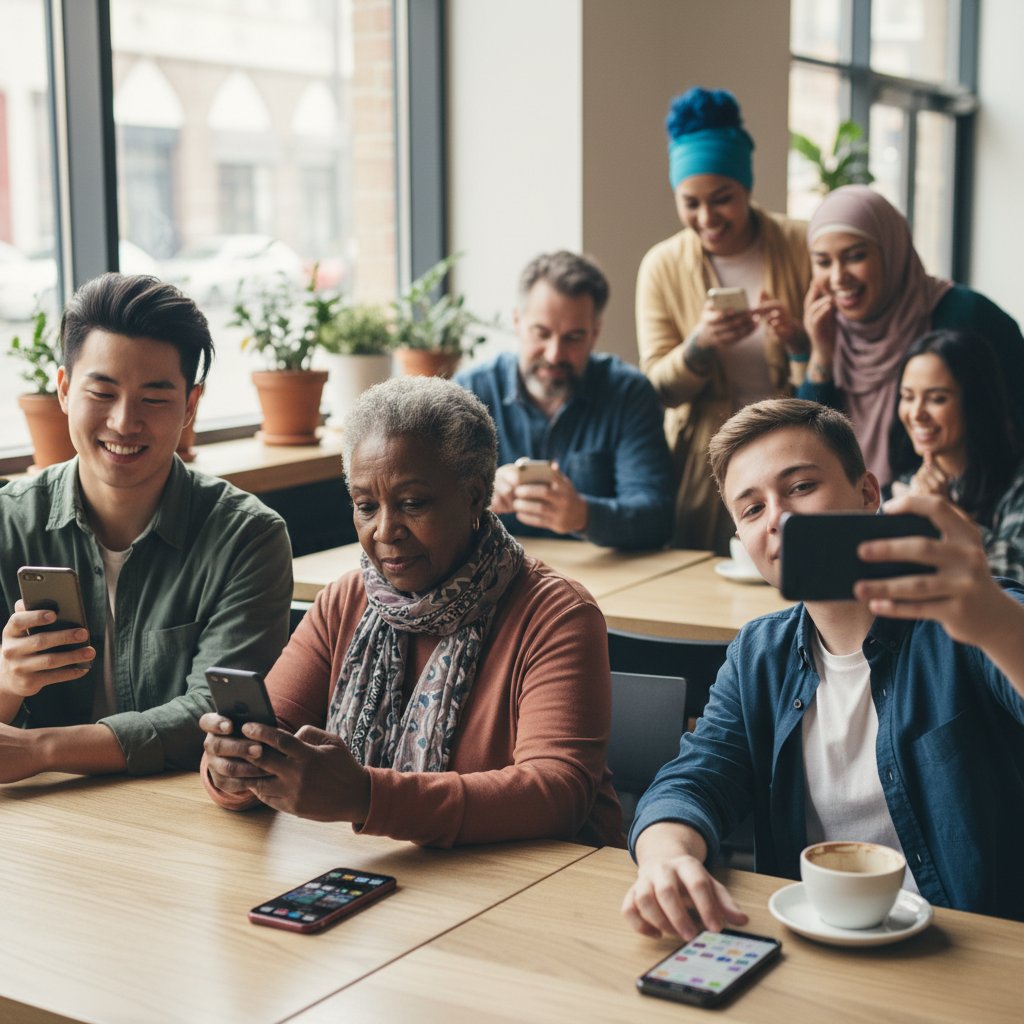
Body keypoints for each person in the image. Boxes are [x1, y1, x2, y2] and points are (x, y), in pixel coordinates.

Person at [622, 398, 1024, 934]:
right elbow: (695, 780)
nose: (779, 519)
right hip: (818, 944)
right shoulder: (757, 655)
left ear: (867, 494)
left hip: (974, 954)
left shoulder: (972, 616)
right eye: (752, 509)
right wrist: (665, 856)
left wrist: (994, 621)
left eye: (800, 487)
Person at [199, 376, 623, 848]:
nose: (385, 530)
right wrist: (235, 768)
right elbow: (272, 732)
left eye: (413, 503)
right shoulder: (344, 602)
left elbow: (556, 793)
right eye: (365, 506)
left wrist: (367, 797)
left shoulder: (557, 615)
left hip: (540, 887)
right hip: (386, 870)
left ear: (474, 496)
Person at [0, 273, 292, 782]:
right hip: (34, 823)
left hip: (177, 820)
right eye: (102, 392)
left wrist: (42, 749)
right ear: (65, 390)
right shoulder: (8, 523)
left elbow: (217, 719)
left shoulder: (248, 538)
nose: (124, 422)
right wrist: (8, 684)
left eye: (154, 399)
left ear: (191, 405)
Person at [636, 86, 811, 553]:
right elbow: (657, 388)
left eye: (722, 198)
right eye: (690, 202)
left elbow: (843, 355)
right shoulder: (662, 265)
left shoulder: (801, 244)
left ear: (747, 187)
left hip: (800, 451)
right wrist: (699, 345)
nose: (707, 216)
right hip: (706, 466)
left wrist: (798, 340)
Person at [799, 184, 1024, 484]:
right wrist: (821, 353)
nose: (839, 277)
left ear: (892, 251)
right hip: (859, 510)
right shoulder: (830, 326)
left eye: (855, 256)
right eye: (823, 262)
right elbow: (810, 441)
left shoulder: (966, 314)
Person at [455, 250, 673, 551]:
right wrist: (476, 498)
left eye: (573, 338)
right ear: (517, 322)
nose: (555, 354)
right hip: (487, 576)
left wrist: (584, 515)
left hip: (607, 580)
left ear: (595, 334)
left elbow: (657, 517)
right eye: (541, 333)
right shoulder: (469, 393)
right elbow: (429, 502)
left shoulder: (629, 394)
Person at [890, 329, 1024, 582]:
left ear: (975, 402)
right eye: (907, 397)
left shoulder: (1016, 482)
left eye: (937, 399)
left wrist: (946, 514)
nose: (916, 413)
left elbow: (1017, 580)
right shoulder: (903, 486)